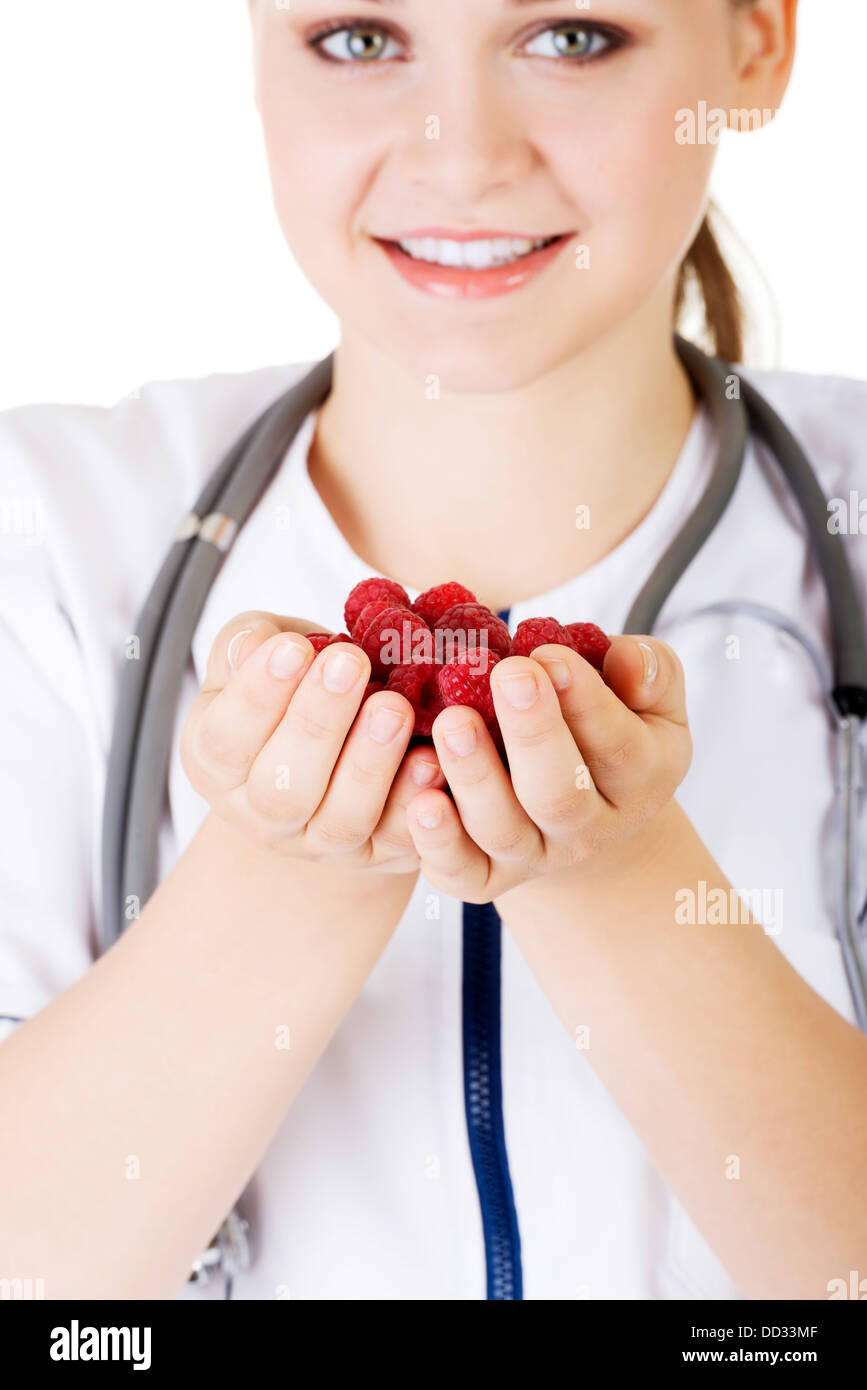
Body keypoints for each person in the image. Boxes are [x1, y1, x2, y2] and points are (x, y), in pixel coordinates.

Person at [1, 0, 865, 1302]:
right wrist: (281, 874)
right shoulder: (50, 535)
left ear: (755, 44)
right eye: (358, 38)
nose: (461, 155)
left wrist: (616, 879)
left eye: (573, 37)